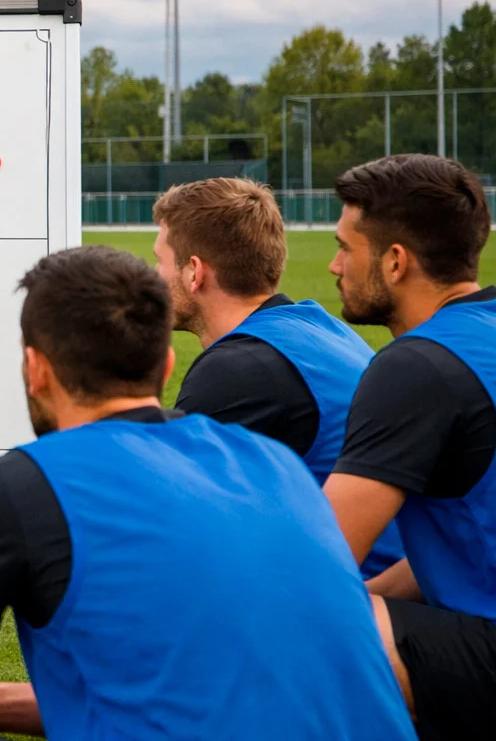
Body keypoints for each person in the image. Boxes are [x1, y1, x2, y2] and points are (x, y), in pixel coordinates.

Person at [0, 245, 414, 741]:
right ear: (166, 368)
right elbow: (200, 680)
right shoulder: (273, 463)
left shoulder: (25, 486)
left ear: (36, 369)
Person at [322, 154, 496, 741]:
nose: (334, 265)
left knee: (295, 625)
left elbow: (316, 555)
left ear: (395, 261)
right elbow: (464, 547)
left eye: (346, 248)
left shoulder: (417, 365)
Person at [153, 177, 403, 576]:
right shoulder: (317, 327)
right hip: (388, 580)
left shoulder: (239, 368)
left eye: (160, 261)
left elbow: (170, 520)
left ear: (194, 272)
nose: (153, 277)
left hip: (351, 594)